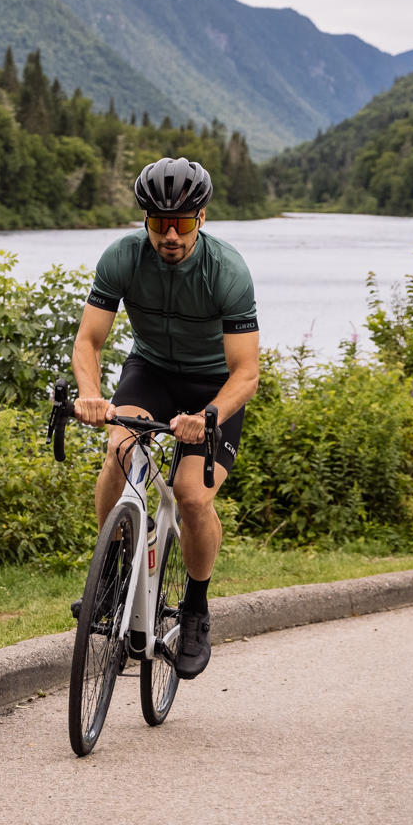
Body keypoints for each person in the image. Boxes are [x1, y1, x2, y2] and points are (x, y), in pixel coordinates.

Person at [70, 156, 260, 679]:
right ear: (145, 220)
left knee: (191, 495)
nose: (170, 235)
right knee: (118, 449)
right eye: (159, 222)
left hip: (212, 386)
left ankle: (195, 609)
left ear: (201, 218)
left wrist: (209, 414)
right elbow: (89, 341)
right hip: (151, 371)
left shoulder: (227, 271)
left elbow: (246, 374)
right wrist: (90, 395)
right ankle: (112, 576)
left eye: (181, 223)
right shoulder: (123, 258)